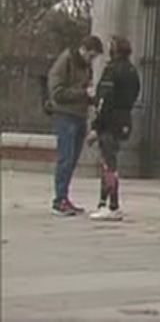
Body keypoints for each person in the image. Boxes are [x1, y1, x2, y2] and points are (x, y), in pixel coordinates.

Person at [47, 36, 103, 216]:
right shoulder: (65, 61)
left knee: (72, 160)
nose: (92, 60)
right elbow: (57, 93)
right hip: (65, 115)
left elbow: (86, 89)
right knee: (65, 158)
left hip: (80, 115)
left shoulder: (86, 67)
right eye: (91, 56)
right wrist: (83, 93)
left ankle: (64, 197)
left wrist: (93, 98)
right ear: (84, 49)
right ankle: (59, 200)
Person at [88, 36, 141, 221]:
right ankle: (108, 203)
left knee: (108, 164)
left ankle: (110, 204)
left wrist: (96, 125)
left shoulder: (111, 71)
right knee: (111, 161)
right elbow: (134, 94)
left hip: (109, 121)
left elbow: (104, 100)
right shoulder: (132, 71)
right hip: (124, 119)